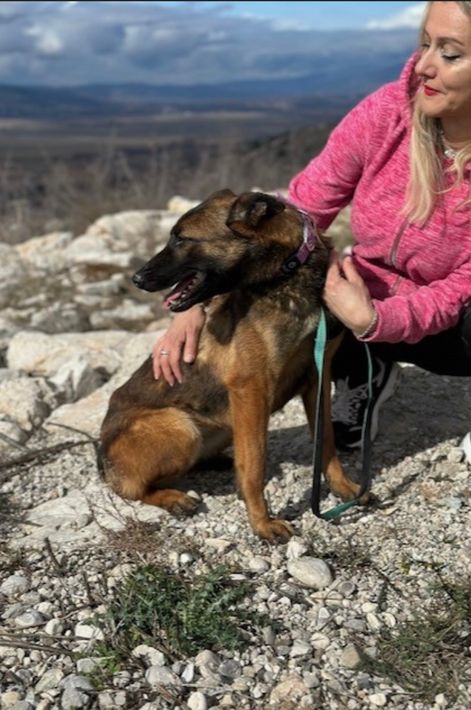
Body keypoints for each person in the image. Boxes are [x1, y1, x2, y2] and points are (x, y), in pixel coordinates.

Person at [152, 1, 471, 458]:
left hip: (451, 328)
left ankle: (370, 348)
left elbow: (461, 287)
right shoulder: (387, 113)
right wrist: (199, 296)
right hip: (366, 297)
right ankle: (363, 371)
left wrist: (376, 321)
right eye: (425, 44)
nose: (423, 66)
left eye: (450, 53)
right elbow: (297, 217)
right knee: (304, 269)